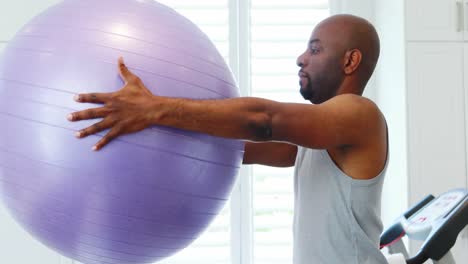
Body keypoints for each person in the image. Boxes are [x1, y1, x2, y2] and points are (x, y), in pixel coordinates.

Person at [67, 14, 388, 264]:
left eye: (315, 49)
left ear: (350, 61)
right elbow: (230, 147)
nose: (301, 58)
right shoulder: (317, 140)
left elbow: (262, 121)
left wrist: (154, 108)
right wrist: (149, 128)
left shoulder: (359, 115)